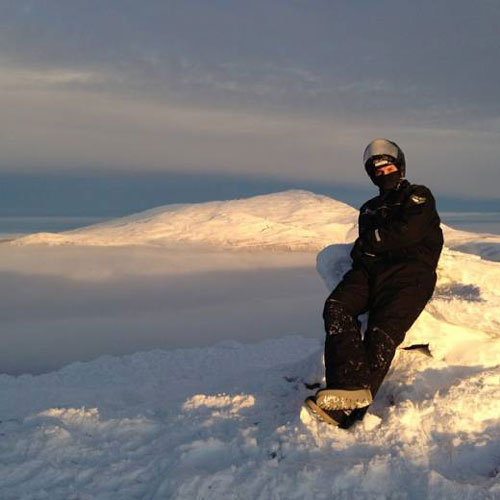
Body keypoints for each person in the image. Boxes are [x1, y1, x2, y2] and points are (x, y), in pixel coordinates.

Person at [305, 138, 443, 428]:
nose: (383, 173)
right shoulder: (369, 208)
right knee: (336, 307)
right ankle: (347, 386)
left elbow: (409, 232)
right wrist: (368, 246)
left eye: (388, 166)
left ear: (400, 166)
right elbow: (362, 248)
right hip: (368, 273)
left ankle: (349, 411)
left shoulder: (418, 196)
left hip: (410, 273)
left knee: (381, 331)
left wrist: (372, 242)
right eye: (377, 171)